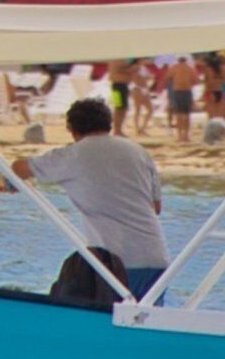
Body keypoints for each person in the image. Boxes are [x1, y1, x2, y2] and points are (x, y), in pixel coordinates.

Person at [10, 97, 167, 304]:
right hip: (157, 258)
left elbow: (19, 168)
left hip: (116, 263)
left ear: (72, 129)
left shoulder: (73, 154)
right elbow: (156, 207)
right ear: (109, 124)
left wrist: (10, 183)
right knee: (145, 320)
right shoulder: (138, 152)